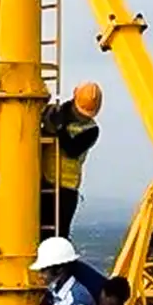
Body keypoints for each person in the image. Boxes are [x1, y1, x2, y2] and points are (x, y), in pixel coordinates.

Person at [39, 81, 103, 239]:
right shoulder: (56, 112)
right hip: (43, 181)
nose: (83, 117)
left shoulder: (92, 130)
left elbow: (72, 149)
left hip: (66, 188)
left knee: (58, 236)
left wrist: (59, 128)